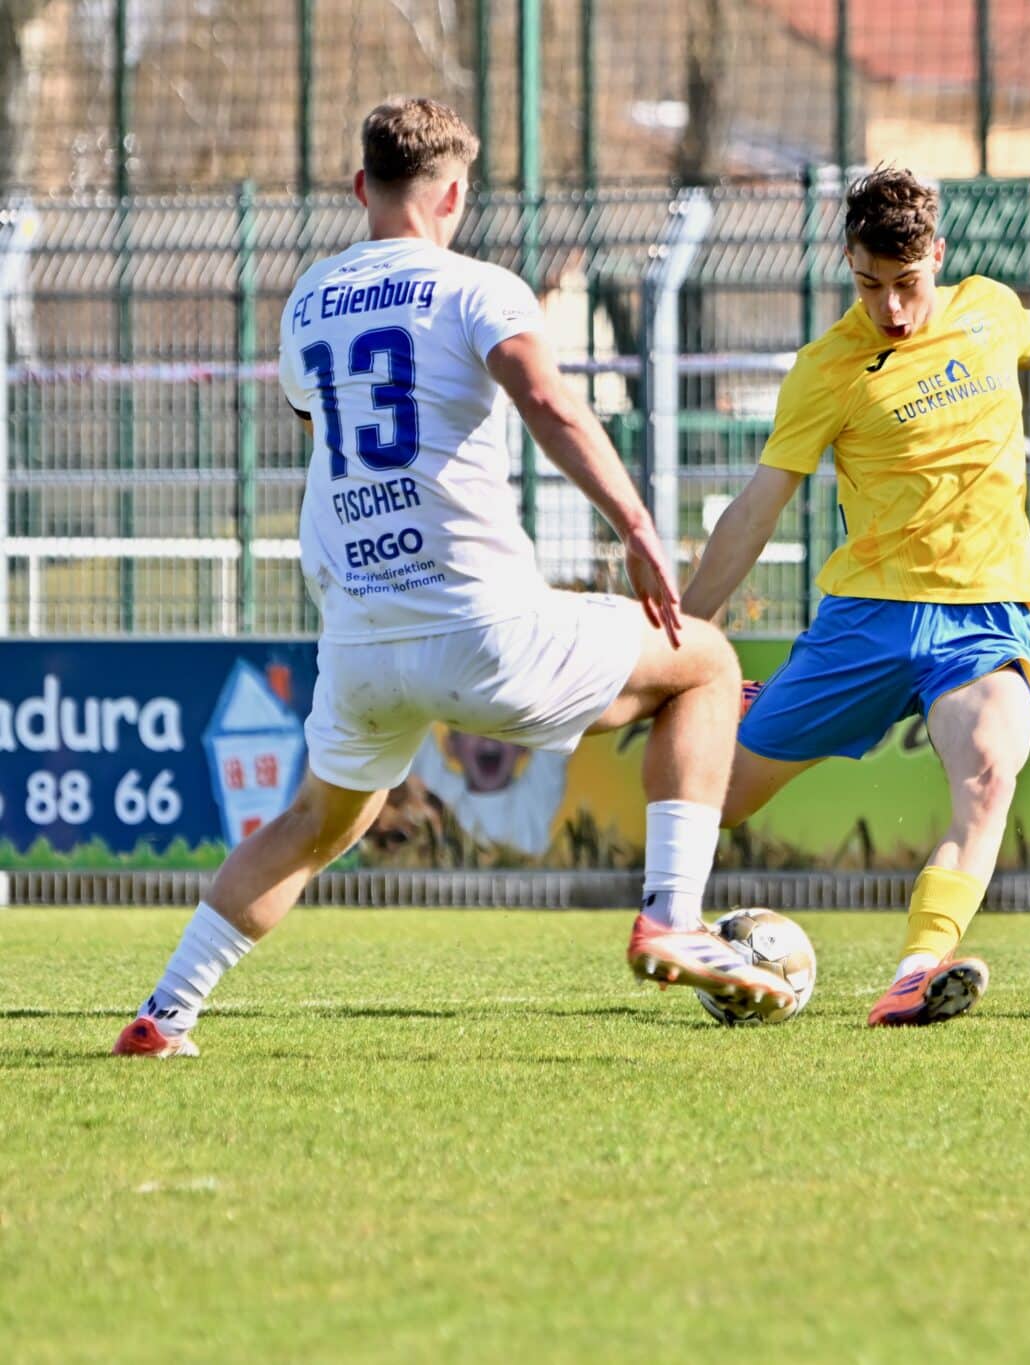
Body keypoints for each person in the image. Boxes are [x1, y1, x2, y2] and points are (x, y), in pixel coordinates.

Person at [114, 97, 789, 1057]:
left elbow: (325, 430)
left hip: (359, 641)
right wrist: (635, 521)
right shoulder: (478, 288)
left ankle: (165, 1011)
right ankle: (671, 917)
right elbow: (548, 400)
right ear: (458, 192)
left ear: (361, 188)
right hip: (481, 627)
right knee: (708, 664)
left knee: (315, 822)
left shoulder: (309, 299)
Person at [681, 167, 1030, 1027]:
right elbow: (756, 508)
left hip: (982, 615)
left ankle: (919, 969)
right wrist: (686, 626)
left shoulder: (988, 310)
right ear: (849, 263)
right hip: (868, 619)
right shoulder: (827, 370)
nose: (889, 307)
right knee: (720, 798)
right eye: (868, 285)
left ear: (940, 255)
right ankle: (744, 720)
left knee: (993, 769)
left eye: (907, 284)